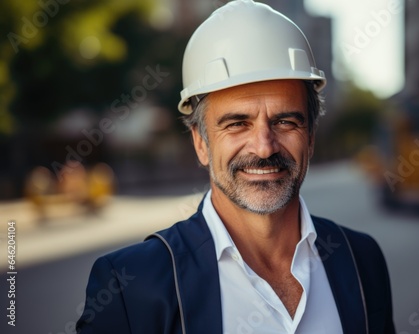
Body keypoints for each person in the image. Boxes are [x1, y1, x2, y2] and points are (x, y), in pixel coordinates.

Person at [76, 1, 395, 333]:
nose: (264, 146)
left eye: (285, 121)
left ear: (311, 137)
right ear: (201, 142)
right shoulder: (130, 287)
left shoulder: (361, 260)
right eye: (237, 124)